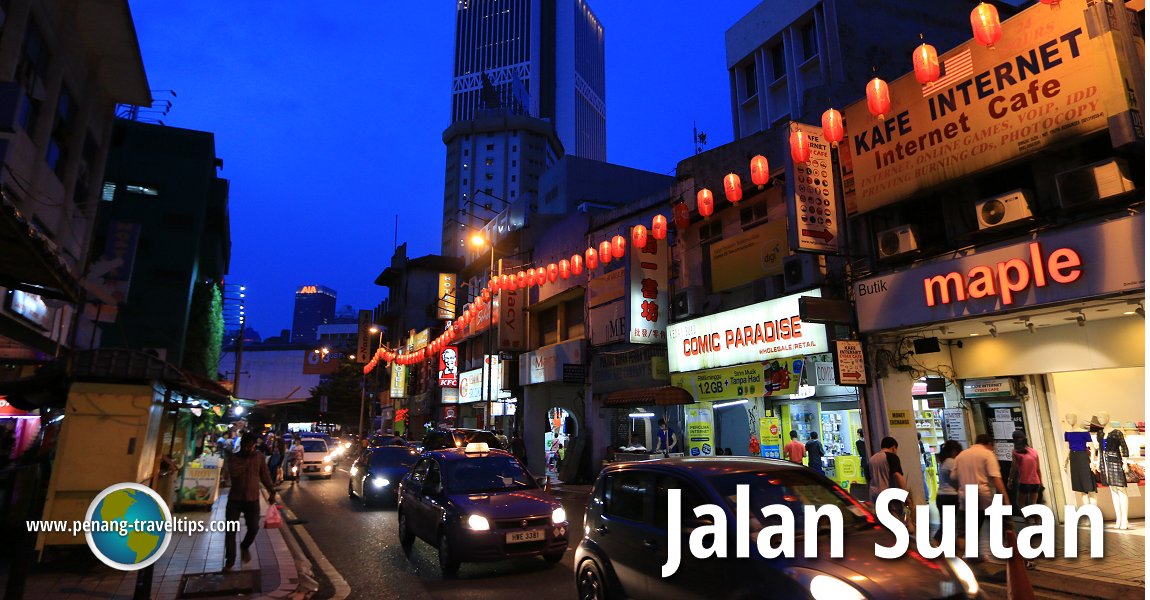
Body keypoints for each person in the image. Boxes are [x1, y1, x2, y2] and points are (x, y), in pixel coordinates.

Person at [953, 433, 1011, 562]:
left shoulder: (961, 455)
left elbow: (953, 477)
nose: (993, 449)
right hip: (983, 496)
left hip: (965, 496)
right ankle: (1013, 554)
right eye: (992, 446)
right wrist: (1005, 498)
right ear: (989, 444)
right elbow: (996, 477)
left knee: (965, 530)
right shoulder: (987, 454)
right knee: (1005, 523)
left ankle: (962, 559)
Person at [223, 432, 276, 570]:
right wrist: (246, 460)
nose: (250, 449)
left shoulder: (259, 457)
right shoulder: (234, 458)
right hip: (235, 499)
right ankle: (230, 560)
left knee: (253, 527)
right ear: (242, 445)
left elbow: (265, 475)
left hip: (252, 498)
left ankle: (244, 546)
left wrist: (271, 490)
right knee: (230, 530)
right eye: (247, 447)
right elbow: (233, 473)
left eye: (252, 446)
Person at [868, 437, 908, 516]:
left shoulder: (871, 459)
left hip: (874, 496)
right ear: (893, 448)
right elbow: (897, 475)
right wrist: (905, 495)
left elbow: (868, 479)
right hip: (888, 496)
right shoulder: (892, 457)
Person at [1009, 435, 1042, 526]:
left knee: (1020, 504)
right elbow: (1038, 469)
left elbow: (1014, 468)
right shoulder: (1034, 451)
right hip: (1035, 482)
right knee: (1033, 504)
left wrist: (1010, 479)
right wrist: (1041, 482)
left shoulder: (1016, 452)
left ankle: (1028, 522)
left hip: (1024, 482)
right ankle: (1038, 522)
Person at [933, 440, 962, 543]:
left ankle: (937, 546)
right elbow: (957, 478)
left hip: (941, 496)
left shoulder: (943, 462)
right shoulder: (951, 462)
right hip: (950, 497)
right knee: (950, 526)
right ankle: (935, 546)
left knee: (946, 525)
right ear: (954, 451)